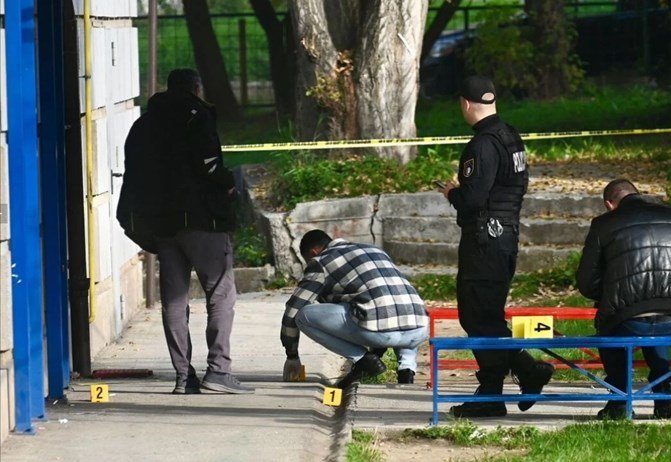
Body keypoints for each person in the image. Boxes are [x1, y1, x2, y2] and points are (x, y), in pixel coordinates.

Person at [437, 76, 554, 418]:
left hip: (484, 241)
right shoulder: (511, 137)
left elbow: (472, 199)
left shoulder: (482, 144)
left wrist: (452, 193)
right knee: (487, 316)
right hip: (505, 237)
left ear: (465, 104)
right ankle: (511, 379)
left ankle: (500, 389)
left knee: (478, 316)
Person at [138, 68, 252, 394]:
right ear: (196, 89)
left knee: (174, 300)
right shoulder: (197, 116)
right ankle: (218, 371)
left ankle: (182, 377)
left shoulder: (148, 122)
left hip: (163, 222)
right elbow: (210, 165)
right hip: (203, 220)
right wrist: (227, 185)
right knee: (220, 294)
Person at [576, 179, 671, 419]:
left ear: (609, 204)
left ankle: (619, 402)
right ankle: (663, 399)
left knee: (613, 325)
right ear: (638, 193)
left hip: (628, 318)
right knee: (657, 320)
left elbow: (586, 282)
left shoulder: (603, 224)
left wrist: (610, 293)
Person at [280, 230, 429, 388]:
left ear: (313, 252)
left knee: (303, 316)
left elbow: (293, 308)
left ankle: (364, 360)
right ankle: (406, 371)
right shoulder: (375, 250)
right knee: (403, 308)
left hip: (379, 332)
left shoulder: (320, 262)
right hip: (419, 329)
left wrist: (292, 356)